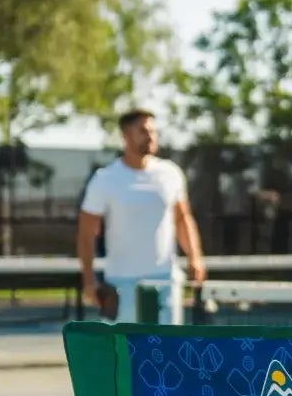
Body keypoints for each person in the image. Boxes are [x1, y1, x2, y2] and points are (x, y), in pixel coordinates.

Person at [78, 109, 205, 323]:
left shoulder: (170, 173)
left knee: (167, 344)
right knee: (124, 344)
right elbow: (86, 234)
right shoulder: (105, 179)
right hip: (121, 284)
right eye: (144, 131)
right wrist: (89, 281)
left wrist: (195, 257)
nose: (151, 137)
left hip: (165, 282)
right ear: (126, 135)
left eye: (153, 131)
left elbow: (182, 219)